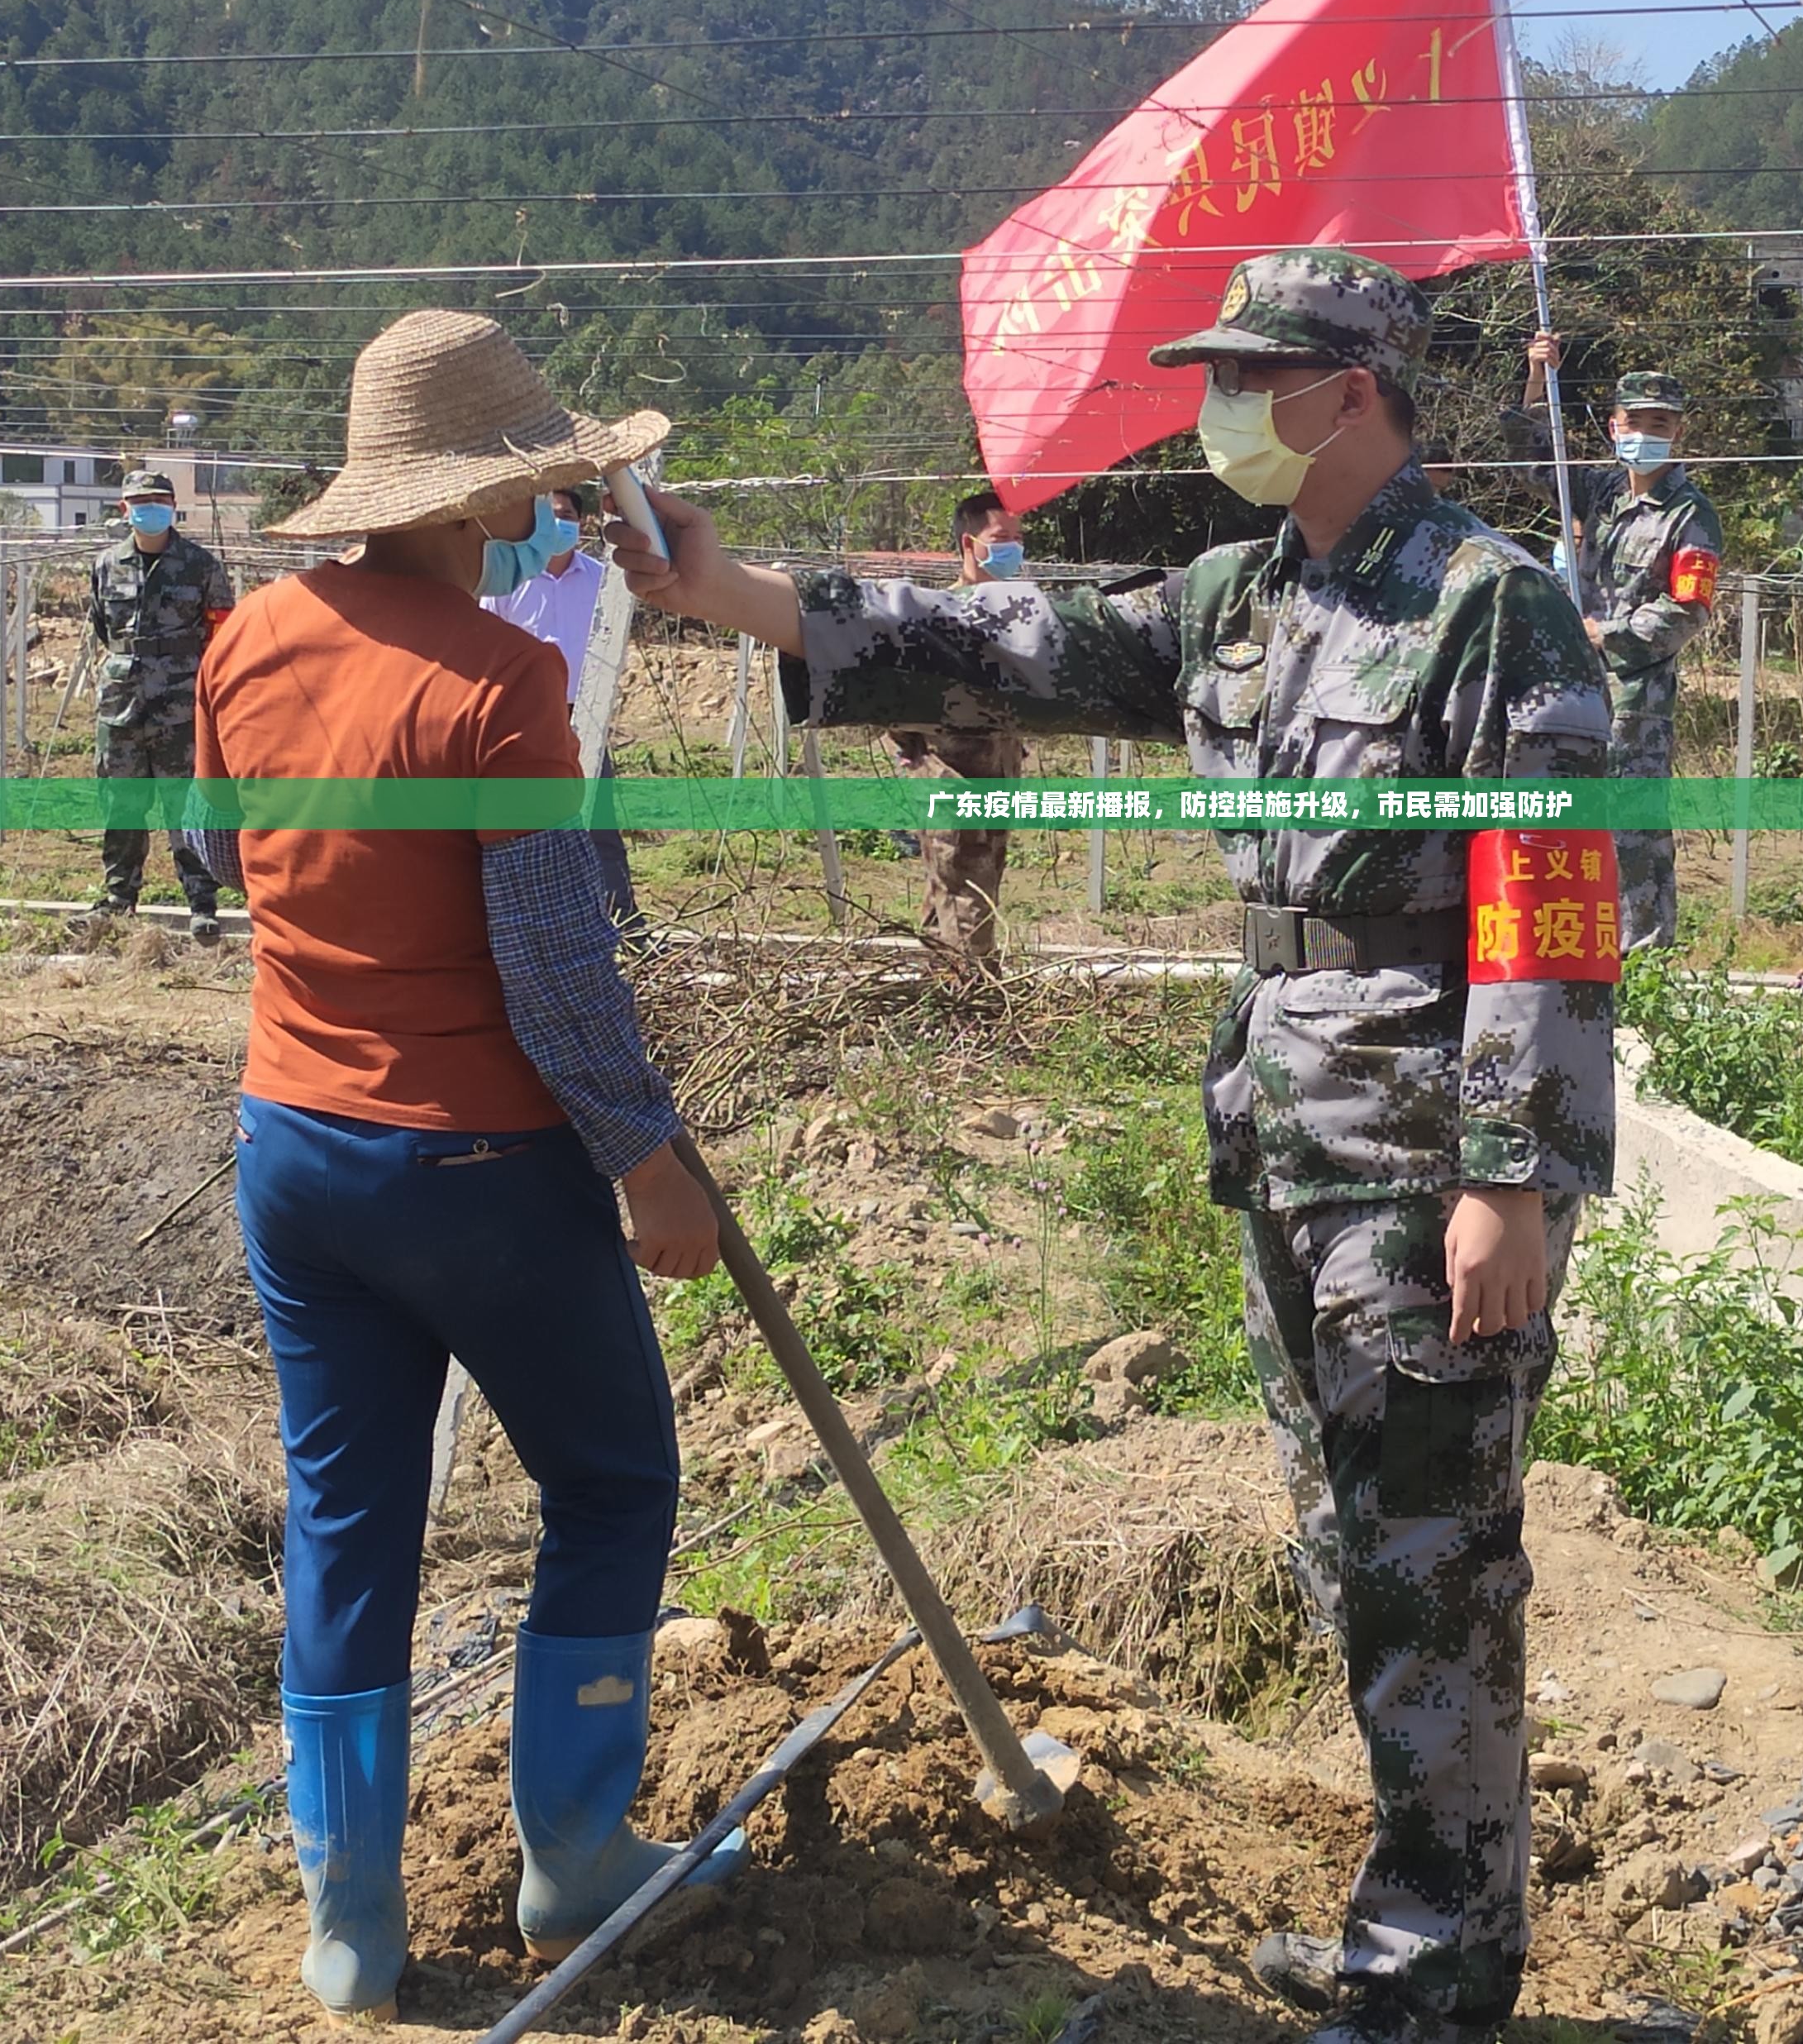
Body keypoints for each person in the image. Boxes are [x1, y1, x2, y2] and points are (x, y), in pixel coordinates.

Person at [612, 251, 1615, 2044]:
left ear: (1353, 390)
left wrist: (1507, 1177)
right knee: (1343, 1543)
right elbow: (1002, 643)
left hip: (1417, 1145)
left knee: (1430, 1556)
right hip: (1284, 1128)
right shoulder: (1240, 596)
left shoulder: (1488, 602)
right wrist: (726, 590)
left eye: (1250, 375)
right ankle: (1416, 1930)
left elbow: (1549, 895)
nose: (1219, 406)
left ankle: (1439, 1978)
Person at [184, 309, 719, 2019]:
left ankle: (349, 1923)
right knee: (614, 1479)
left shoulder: (248, 637)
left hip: (294, 1148)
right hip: (477, 1163)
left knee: (350, 1523)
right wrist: (647, 1157)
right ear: (488, 498)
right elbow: (552, 967)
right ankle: (571, 1858)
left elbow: (225, 850)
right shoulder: (501, 681)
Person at [1564, 357, 1724, 952]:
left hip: (1635, 696)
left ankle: (1644, 954)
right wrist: (1541, 374)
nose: (1648, 435)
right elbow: (1532, 451)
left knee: (1630, 828)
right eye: (1637, 421)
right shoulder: (1601, 493)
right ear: (1614, 425)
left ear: (1678, 431)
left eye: (1662, 423)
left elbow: (1689, 608)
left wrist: (1605, 635)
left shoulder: (1690, 515)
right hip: (1573, 687)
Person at [885, 489, 1032, 976]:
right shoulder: (941, 617)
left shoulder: (1012, 617)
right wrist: (925, 765)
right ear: (970, 544)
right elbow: (897, 701)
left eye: (1018, 538)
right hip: (955, 784)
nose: (1013, 548)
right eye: (1001, 538)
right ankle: (971, 1001)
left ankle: (941, 989)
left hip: (998, 775)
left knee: (955, 890)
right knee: (965, 892)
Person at [479, 481, 638, 927]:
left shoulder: (603, 582)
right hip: (522, 719)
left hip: (584, 713)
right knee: (523, 827)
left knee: (598, 824)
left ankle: (620, 922)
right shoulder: (510, 579)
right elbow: (488, 648)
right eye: (550, 516)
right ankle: (528, 922)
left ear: (583, 523)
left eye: (567, 516)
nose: (559, 524)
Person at [90, 468, 237, 938]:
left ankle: (201, 903)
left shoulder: (201, 566)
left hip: (181, 703)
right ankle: (119, 899)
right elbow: (102, 627)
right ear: (124, 510)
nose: (149, 509)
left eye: (158, 500)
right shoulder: (106, 565)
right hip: (121, 703)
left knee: (187, 805)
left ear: (173, 508)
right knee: (122, 803)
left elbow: (222, 634)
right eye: (140, 502)